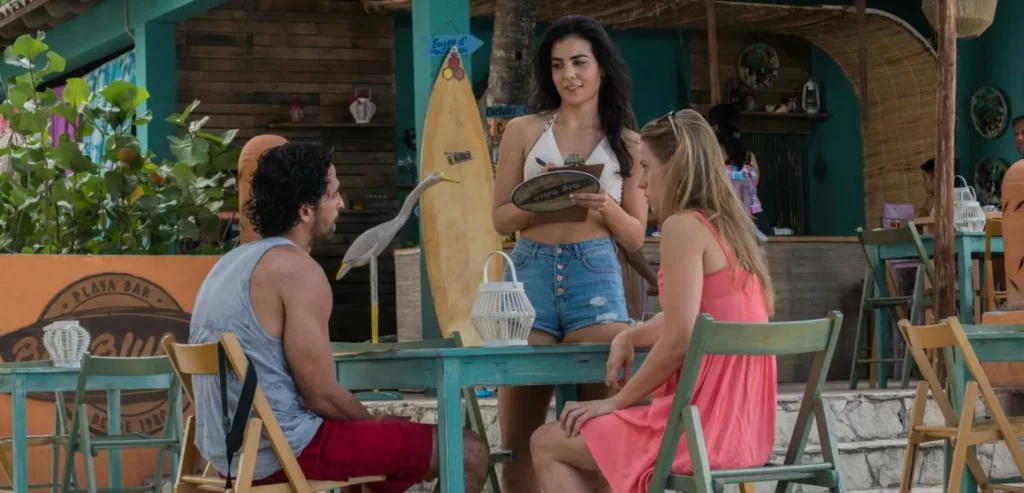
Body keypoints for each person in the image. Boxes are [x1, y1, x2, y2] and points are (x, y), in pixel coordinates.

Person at [188, 142, 489, 493]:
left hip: (230, 458)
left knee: (371, 452)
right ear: (305, 210)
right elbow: (321, 397)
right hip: (284, 452)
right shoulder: (297, 271)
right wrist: (371, 422)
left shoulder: (227, 265)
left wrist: (371, 428)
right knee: (469, 451)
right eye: (333, 194)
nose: (341, 203)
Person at [529, 109, 777, 493]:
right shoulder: (731, 229)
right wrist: (629, 335)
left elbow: (680, 337)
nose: (641, 182)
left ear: (675, 167)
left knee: (546, 442)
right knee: (600, 459)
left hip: (698, 433)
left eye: (646, 167)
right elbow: (696, 314)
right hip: (746, 435)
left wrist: (617, 402)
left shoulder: (683, 226)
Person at [490, 14, 649, 493]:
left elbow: (636, 236)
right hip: (529, 274)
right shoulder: (523, 130)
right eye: (558, 65)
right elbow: (500, 218)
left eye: (580, 62)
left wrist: (604, 205)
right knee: (517, 442)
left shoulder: (628, 141)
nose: (569, 75)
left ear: (601, 66)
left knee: (596, 439)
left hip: (595, 275)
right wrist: (542, 198)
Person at [707, 104, 769, 236]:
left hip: (724, 222)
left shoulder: (708, 158)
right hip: (756, 221)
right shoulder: (749, 157)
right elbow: (753, 188)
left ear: (714, 128)